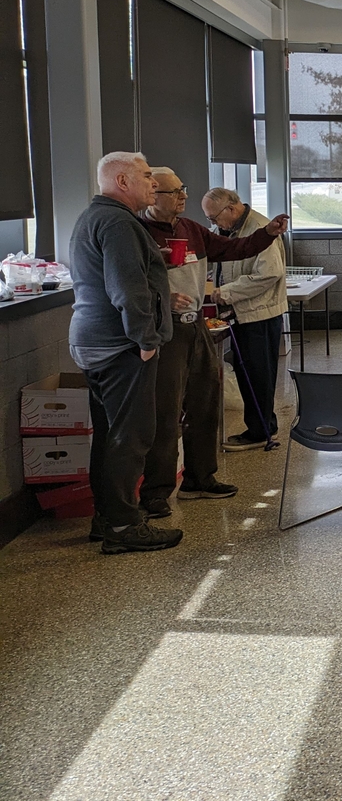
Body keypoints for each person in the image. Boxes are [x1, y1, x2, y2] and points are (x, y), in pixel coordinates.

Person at [138, 169, 287, 509]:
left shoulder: (191, 230)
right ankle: (156, 492)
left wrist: (267, 232)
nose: (183, 197)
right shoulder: (137, 231)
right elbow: (122, 282)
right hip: (165, 330)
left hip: (196, 328)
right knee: (166, 413)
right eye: (176, 192)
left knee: (205, 403)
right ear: (153, 194)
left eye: (183, 189)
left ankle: (200, 478)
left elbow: (237, 248)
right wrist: (159, 297)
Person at [68, 152, 180, 554]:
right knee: (131, 437)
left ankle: (107, 516)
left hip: (94, 341)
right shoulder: (117, 221)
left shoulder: (93, 216)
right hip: (120, 345)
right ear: (121, 181)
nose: (154, 183)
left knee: (111, 435)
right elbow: (126, 288)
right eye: (147, 176)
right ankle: (122, 526)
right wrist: (146, 340)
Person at [203, 187, 288, 451]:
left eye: (214, 217)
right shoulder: (229, 230)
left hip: (259, 313)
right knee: (247, 372)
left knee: (258, 375)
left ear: (231, 208)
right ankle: (260, 426)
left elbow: (269, 274)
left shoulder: (261, 228)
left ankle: (261, 431)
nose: (213, 224)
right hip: (240, 312)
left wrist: (225, 292)